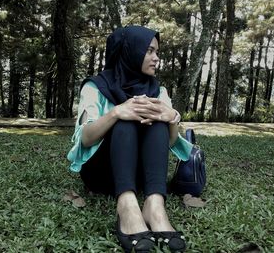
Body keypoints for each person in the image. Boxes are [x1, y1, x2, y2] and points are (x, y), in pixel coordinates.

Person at [67, 25, 193, 253]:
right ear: (130, 52)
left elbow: (172, 143)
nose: (156, 58)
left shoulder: (158, 90)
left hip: (142, 177)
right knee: (126, 118)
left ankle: (154, 206)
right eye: (150, 51)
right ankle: (126, 207)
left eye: (157, 52)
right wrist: (116, 112)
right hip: (103, 173)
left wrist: (171, 117)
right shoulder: (96, 87)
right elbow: (85, 139)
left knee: (155, 117)